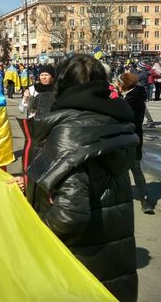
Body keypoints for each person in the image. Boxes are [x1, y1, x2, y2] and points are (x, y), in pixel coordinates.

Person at [26, 55, 139, 301]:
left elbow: (69, 214)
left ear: (62, 83)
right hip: (111, 259)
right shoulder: (116, 119)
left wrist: (30, 232)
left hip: (75, 266)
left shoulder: (71, 129)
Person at [118, 72, 155, 214]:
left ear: (124, 84)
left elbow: (129, 119)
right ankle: (143, 199)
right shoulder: (131, 96)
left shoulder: (132, 98)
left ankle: (144, 200)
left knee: (132, 167)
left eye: (119, 82)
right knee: (131, 168)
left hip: (130, 137)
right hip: (132, 136)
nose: (117, 84)